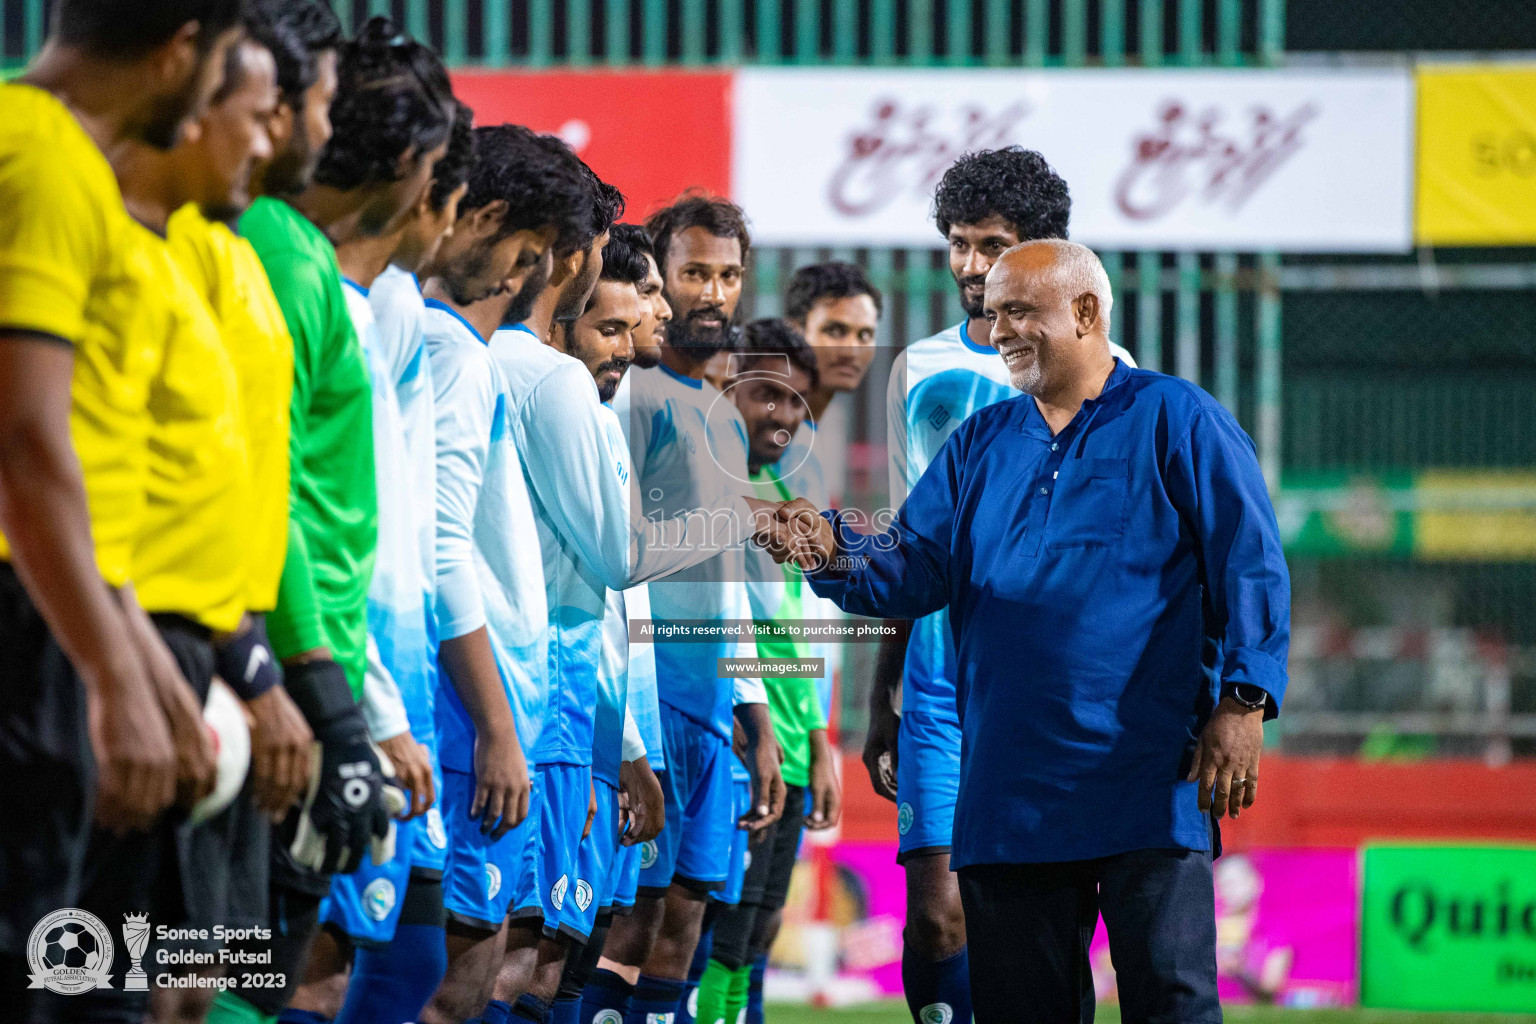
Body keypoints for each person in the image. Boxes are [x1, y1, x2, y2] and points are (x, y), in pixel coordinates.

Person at [757, 239, 1291, 1024]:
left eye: (1018, 312)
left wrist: (1243, 704)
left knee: (1171, 1004)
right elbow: (913, 569)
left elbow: (1251, 564)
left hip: (1148, 774)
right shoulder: (978, 443)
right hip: (1007, 787)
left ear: (1085, 312)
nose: (998, 328)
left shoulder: (1181, 419)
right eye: (993, 311)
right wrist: (830, 549)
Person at [0, 0, 242, 1007]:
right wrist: (111, 670)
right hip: (29, 617)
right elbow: (25, 436)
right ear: (180, 52)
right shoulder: (48, 162)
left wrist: (129, 653)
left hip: (67, 598)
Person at [870, 147, 1134, 1024]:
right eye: (958, 243)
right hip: (943, 685)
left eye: (993, 244)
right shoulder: (917, 368)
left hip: (1052, 688)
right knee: (937, 920)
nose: (973, 267)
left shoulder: (1110, 371)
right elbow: (912, 545)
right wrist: (886, 696)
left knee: (1042, 926)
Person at [490, 223, 738, 1024]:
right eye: (615, 326)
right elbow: (616, 561)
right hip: (550, 707)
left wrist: (625, 746)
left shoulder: (603, 395)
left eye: (640, 324)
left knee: (558, 944)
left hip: (589, 715)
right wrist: (740, 520)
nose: (634, 344)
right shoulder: (559, 389)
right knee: (525, 951)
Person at [284, 20, 456, 1024]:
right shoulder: (296, 270)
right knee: (241, 959)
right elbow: (287, 510)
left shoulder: (355, 295)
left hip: (343, 668)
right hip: (302, 668)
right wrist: (344, 693)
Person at [586, 194, 785, 1024]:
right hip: (649, 699)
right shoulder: (630, 394)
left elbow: (726, 573)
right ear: (657, 279)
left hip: (710, 707)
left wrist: (755, 705)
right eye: (694, 271)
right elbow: (611, 563)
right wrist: (631, 729)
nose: (712, 292)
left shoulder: (721, 410)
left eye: (729, 275)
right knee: (625, 926)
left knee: (687, 920)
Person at [414, 123, 590, 1024]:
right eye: (534, 250)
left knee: (477, 968)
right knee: (454, 979)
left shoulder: (463, 355)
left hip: (487, 707)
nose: (529, 273)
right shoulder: (451, 353)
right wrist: (495, 726)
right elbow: (440, 549)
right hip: (463, 716)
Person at [694, 320, 846, 1024]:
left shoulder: (784, 488)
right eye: (766, 395)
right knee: (711, 934)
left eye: (794, 402)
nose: (783, 414)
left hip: (784, 743)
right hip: (739, 742)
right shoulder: (713, 489)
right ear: (727, 389)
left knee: (754, 932)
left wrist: (817, 739)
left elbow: (794, 633)